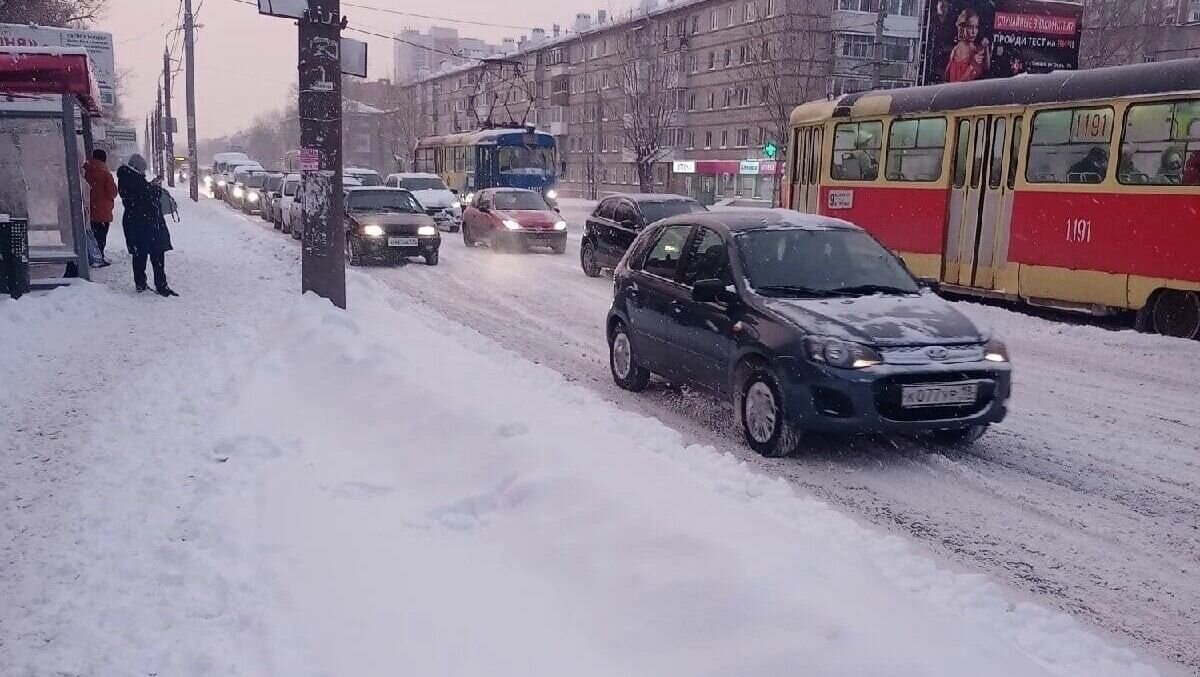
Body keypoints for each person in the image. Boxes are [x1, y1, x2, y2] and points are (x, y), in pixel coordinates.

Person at [117, 154, 177, 296]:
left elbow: (139, 195)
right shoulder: (134, 180)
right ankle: (161, 286)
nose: (144, 172)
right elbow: (145, 198)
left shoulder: (128, 178)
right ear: (137, 168)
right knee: (156, 254)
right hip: (146, 224)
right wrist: (154, 188)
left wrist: (150, 186)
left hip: (136, 223)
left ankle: (141, 283)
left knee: (140, 254)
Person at [83, 149, 117, 265]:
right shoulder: (105, 174)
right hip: (102, 212)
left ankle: (89, 257)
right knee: (100, 237)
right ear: (104, 159)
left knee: (90, 236)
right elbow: (112, 192)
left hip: (88, 210)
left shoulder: (85, 172)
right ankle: (98, 258)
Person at [945, 9, 990, 83]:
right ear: (962, 28)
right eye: (970, 27)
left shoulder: (974, 47)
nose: (974, 32)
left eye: (976, 27)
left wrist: (986, 48)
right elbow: (956, 83)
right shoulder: (957, 50)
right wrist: (972, 64)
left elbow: (986, 68)